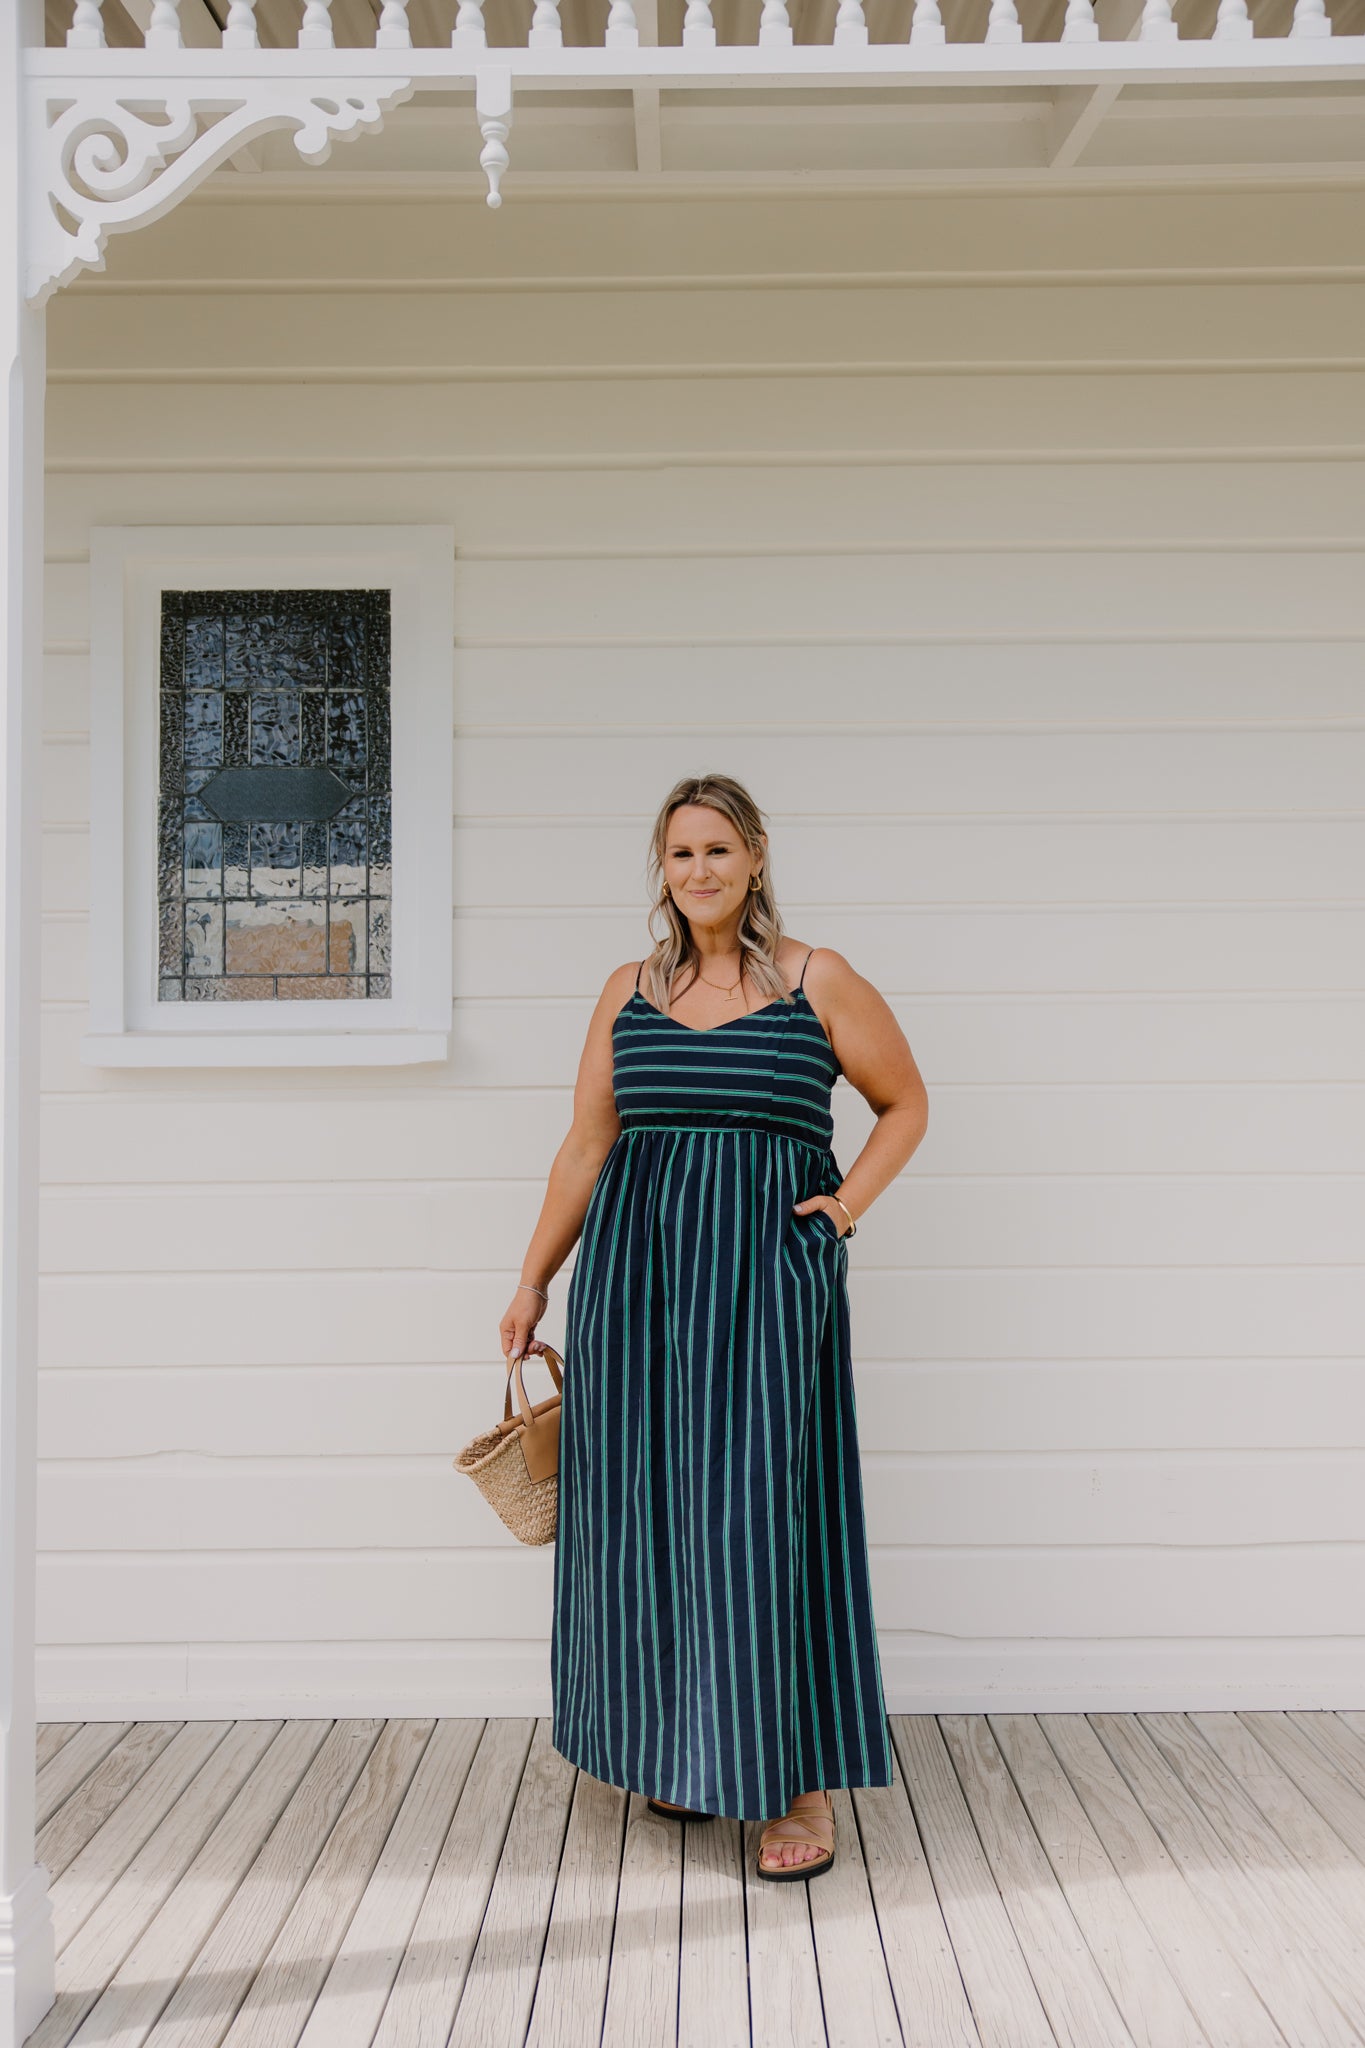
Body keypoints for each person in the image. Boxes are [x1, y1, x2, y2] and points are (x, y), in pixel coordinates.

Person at [499, 772, 928, 1879]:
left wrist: (844, 1209)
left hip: (765, 1280)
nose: (699, 870)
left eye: (718, 850)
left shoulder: (817, 979)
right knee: (644, 1516)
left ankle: (798, 1783)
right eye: (681, 852)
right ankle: (679, 1751)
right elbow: (587, 1145)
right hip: (634, 1283)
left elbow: (905, 1104)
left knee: (760, 1517)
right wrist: (534, 1281)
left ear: (756, 856)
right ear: (663, 866)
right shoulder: (628, 989)